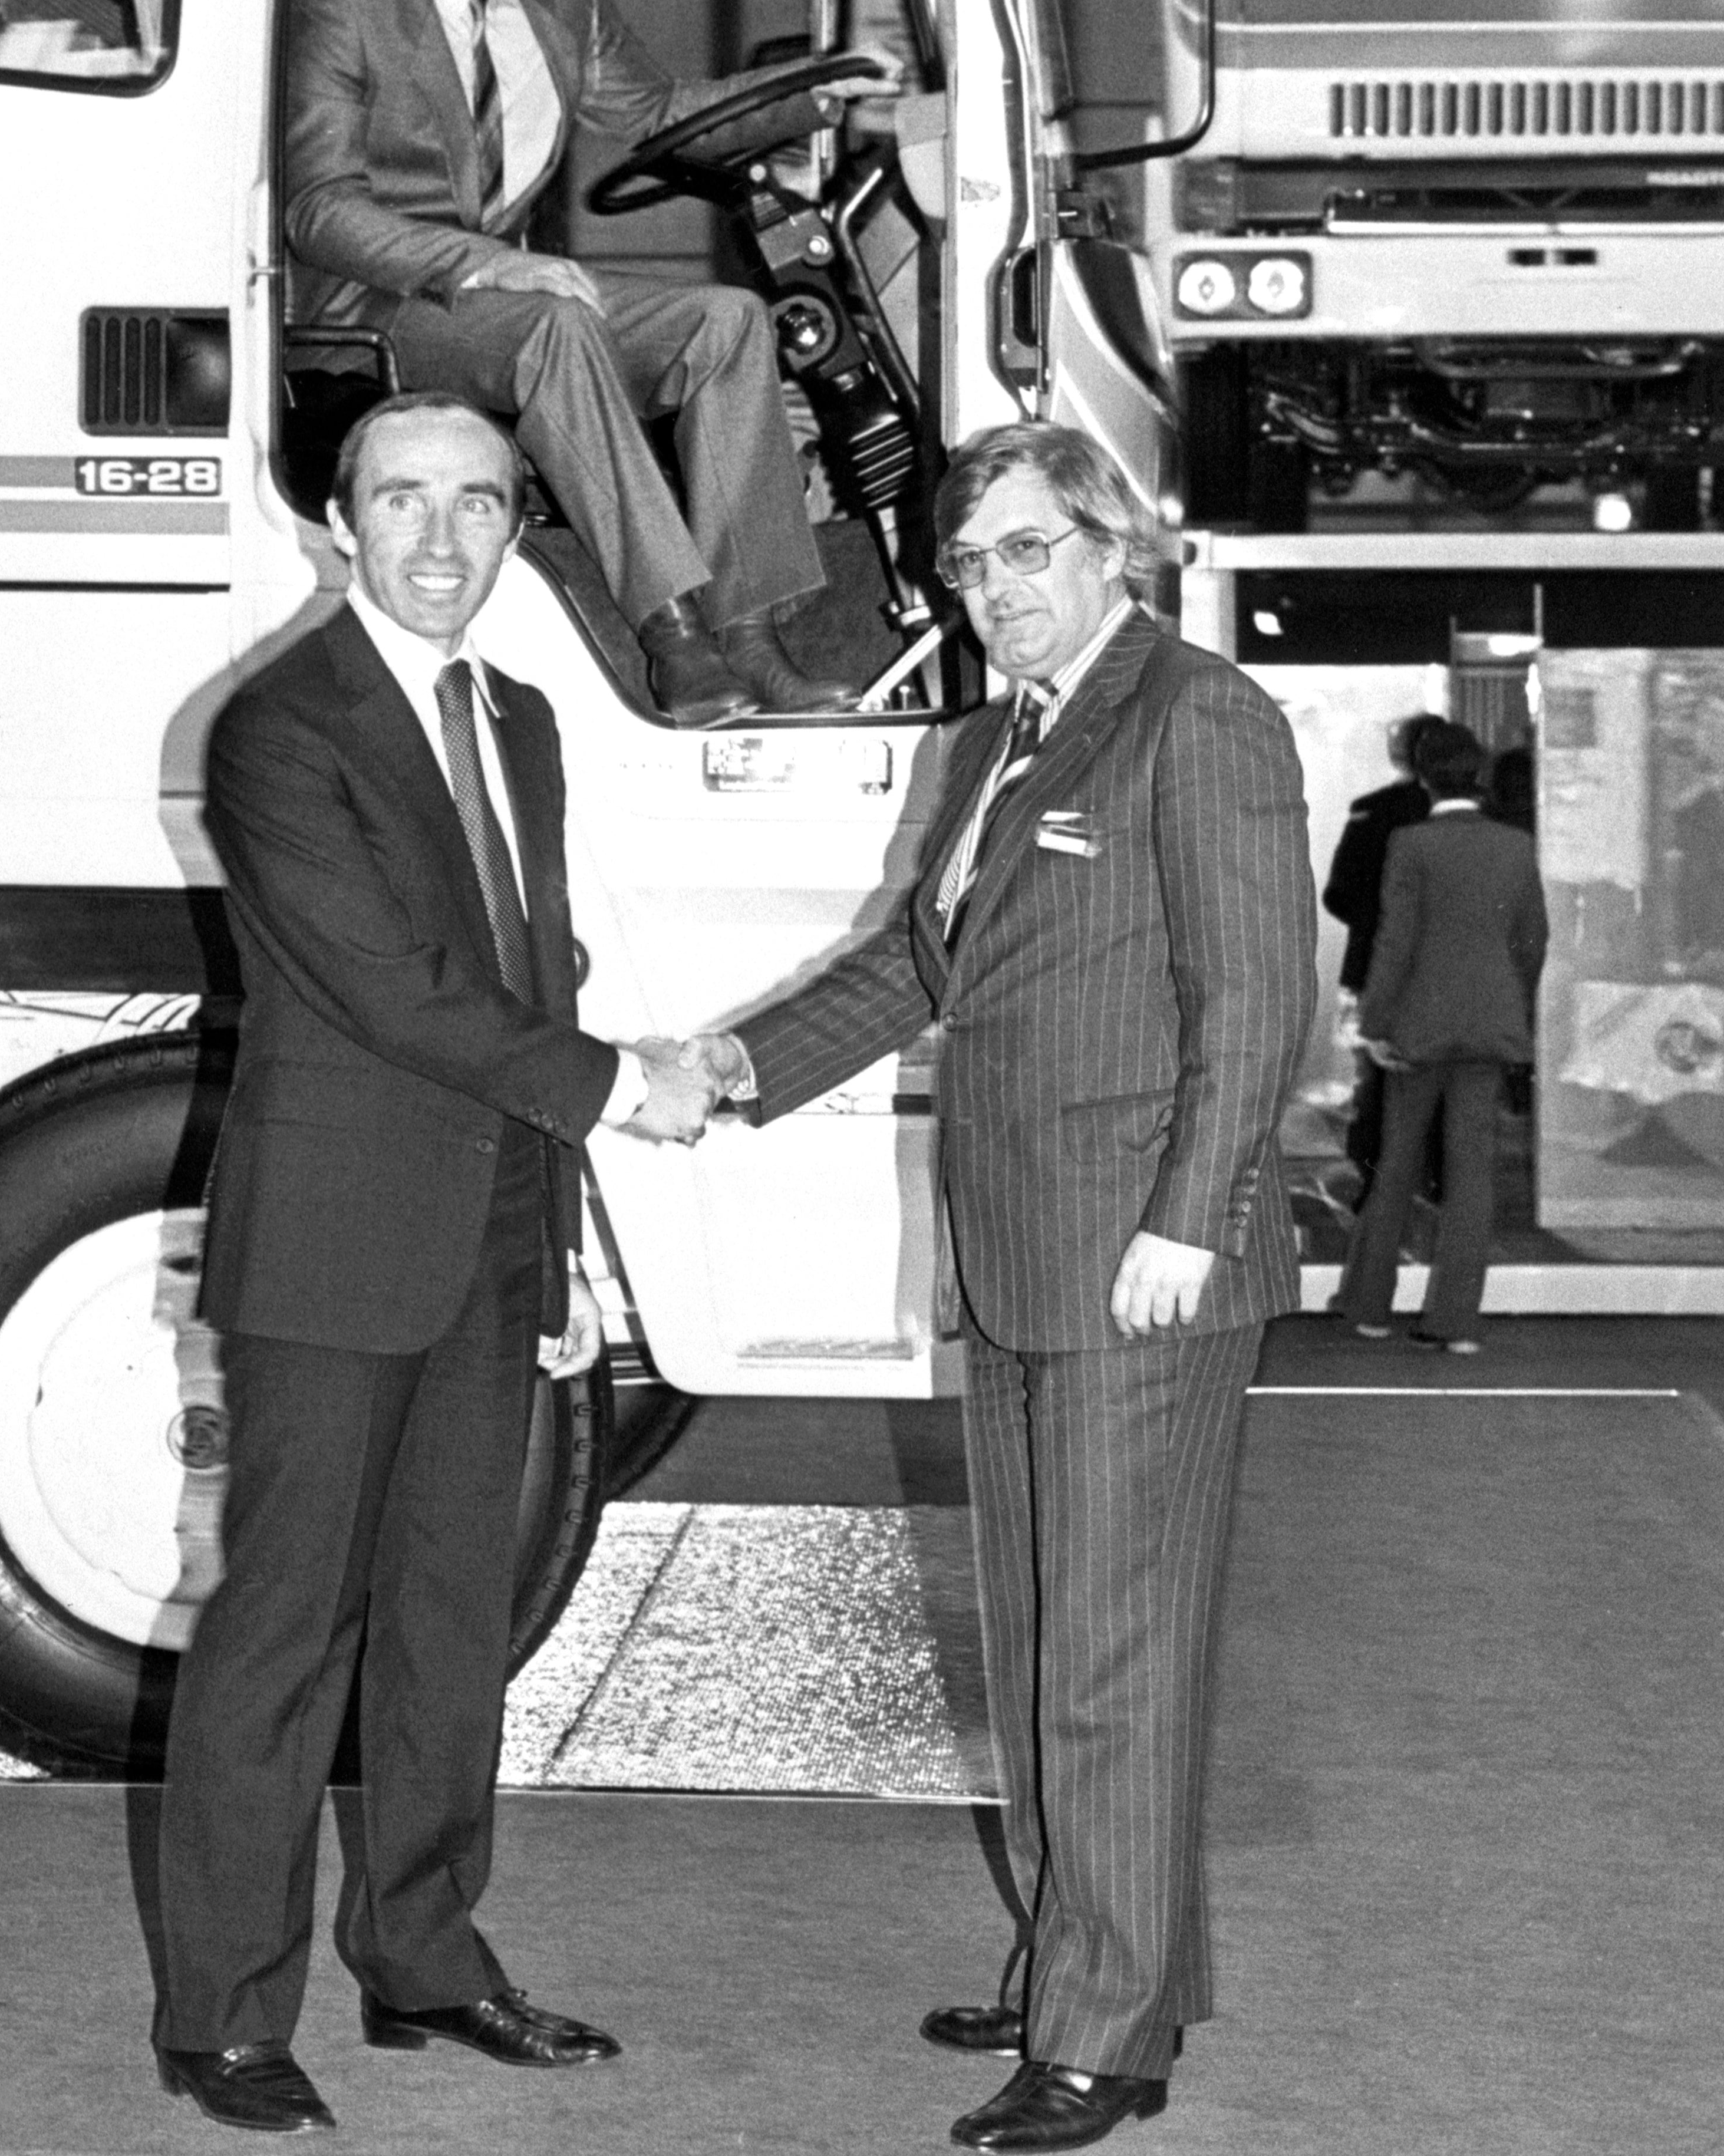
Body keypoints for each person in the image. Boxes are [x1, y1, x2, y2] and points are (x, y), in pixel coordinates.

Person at [681, 423, 1316, 2152]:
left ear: (1114, 547)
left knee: (1114, 1649)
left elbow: (1256, 995)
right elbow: (914, 966)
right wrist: (728, 1065)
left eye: (1029, 552)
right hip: (1029, 1249)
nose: (996, 592)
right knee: (1048, 1635)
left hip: (1143, 1264)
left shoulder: (1200, 718)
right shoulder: (993, 747)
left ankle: (1104, 2038)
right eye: (970, 568)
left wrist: (1192, 1216)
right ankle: (1084, 1959)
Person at [153, 393, 714, 2135]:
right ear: (339, 521)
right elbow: (390, 987)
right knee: (283, 1627)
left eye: (480, 502)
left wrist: (561, 1254)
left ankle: (425, 1952)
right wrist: (626, 1090)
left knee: (454, 1625)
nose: (444, 536)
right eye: (405, 499)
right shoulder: (278, 730)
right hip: (333, 1251)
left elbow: (524, 978)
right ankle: (225, 2016)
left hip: (488, 1246)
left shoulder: (525, 721)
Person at [286, 0, 899, 726]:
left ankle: (751, 637)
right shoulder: (341, 8)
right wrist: (482, 264)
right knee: (557, 321)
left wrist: (821, 91)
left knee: (729, 320)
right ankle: (673, 636)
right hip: (379, 312)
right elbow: (320, 214)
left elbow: (653, 115)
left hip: (508, 311)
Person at [1334, 720, 1549, 1357]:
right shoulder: (1514, 846)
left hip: (1417, 1025)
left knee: (1397, 1158)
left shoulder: (1410, 842)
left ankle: (1368, 1305)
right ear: (1478, 776)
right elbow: (1532, 938)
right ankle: (1455, 1322)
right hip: (1487, 1020)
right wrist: (1512, 1000)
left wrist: (1374, 1024)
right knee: (1470, 1171)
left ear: (1423, 777)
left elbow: (1394, 941)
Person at [1321, 713, 1448, 1202]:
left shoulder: (1370, 811)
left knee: (1372, 1077)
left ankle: (1374, 1184)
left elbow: (1337, 894)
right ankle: (1437, 1178)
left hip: (1373, 967)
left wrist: (1373, 927)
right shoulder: (1458, 813)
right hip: (1437, 968)